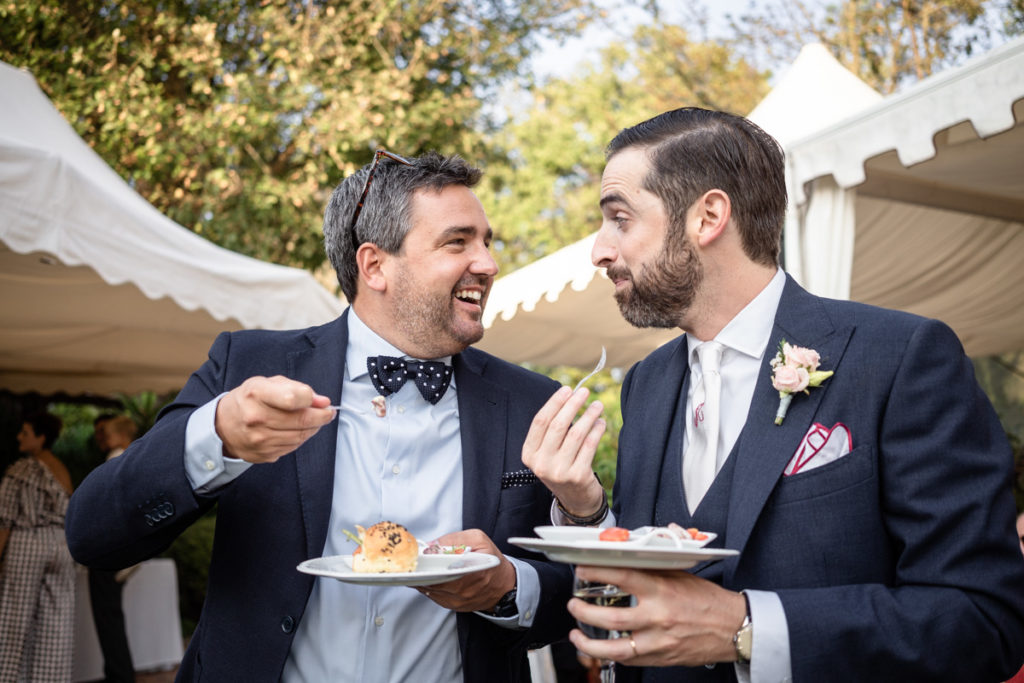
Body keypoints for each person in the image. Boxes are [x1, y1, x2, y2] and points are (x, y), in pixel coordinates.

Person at [523, 107, 1024, 682]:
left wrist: (746, 628)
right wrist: (585, 509)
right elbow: (644, 573)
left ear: (708, 216)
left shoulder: (900, 357)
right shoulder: (645, 383)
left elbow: (984, 619)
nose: (599, 250)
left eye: (620, 219)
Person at [65, 150, 574, 682]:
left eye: (486, 241)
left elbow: (578, 590)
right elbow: (94, 534)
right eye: (457, 241)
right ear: (374, 265)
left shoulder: (533, 402)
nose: (488, 263)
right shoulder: (249, 369)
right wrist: (216, 437)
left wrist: (509, 587)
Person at [0, 411, 75, 682]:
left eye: (25, 433)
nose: (19, 437)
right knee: (56, 622)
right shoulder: (62, 469)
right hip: (60, 543)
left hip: (27, 542)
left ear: (41, 438)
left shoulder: (21, 469)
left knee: (13, 621)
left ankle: (6, 677)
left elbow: (4, 518)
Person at [88, 414, 138, 683]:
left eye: (105, 432)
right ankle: (120, 673)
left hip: (109, 552)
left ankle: (118, 675)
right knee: (112, 617)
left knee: (108, 619)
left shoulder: (116, 458)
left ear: (121, 434)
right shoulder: (134, 459)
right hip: (123, 552)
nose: (101, 438)